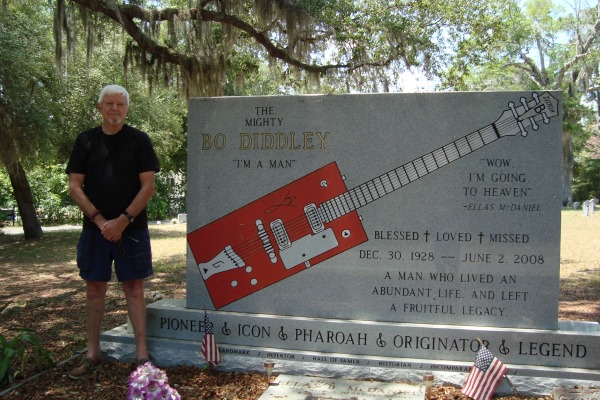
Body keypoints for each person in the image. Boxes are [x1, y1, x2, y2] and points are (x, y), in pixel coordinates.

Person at [65, 84, 160, 379]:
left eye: (120, 104)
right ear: (100, 107)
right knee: (94, 290)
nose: (114, 109)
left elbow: (148, 186)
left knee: (134, 287)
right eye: (109, 104)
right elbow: (74, 186)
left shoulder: (139, 141)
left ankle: (141, 355)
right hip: (95, 230)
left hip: (132, 229)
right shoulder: (86, 141)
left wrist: (122, 220)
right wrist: (99, 220)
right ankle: (93, 353)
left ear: (127, 109)